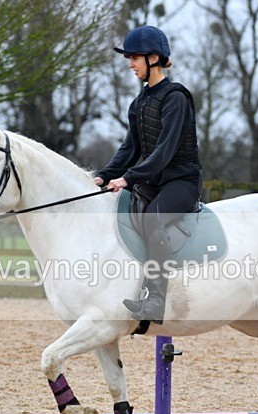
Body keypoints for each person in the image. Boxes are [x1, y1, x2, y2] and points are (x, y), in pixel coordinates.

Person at [94, 25, 202, 325]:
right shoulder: (139, 103)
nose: (130, 64)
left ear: (153, 58)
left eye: (134, 58)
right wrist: (104, 176)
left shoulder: (176, 97)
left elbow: (164, 152)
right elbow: (129, 149)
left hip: (182, 181)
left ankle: (155, 299)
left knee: (153, 218)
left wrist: (128, 178)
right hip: (153, 182)